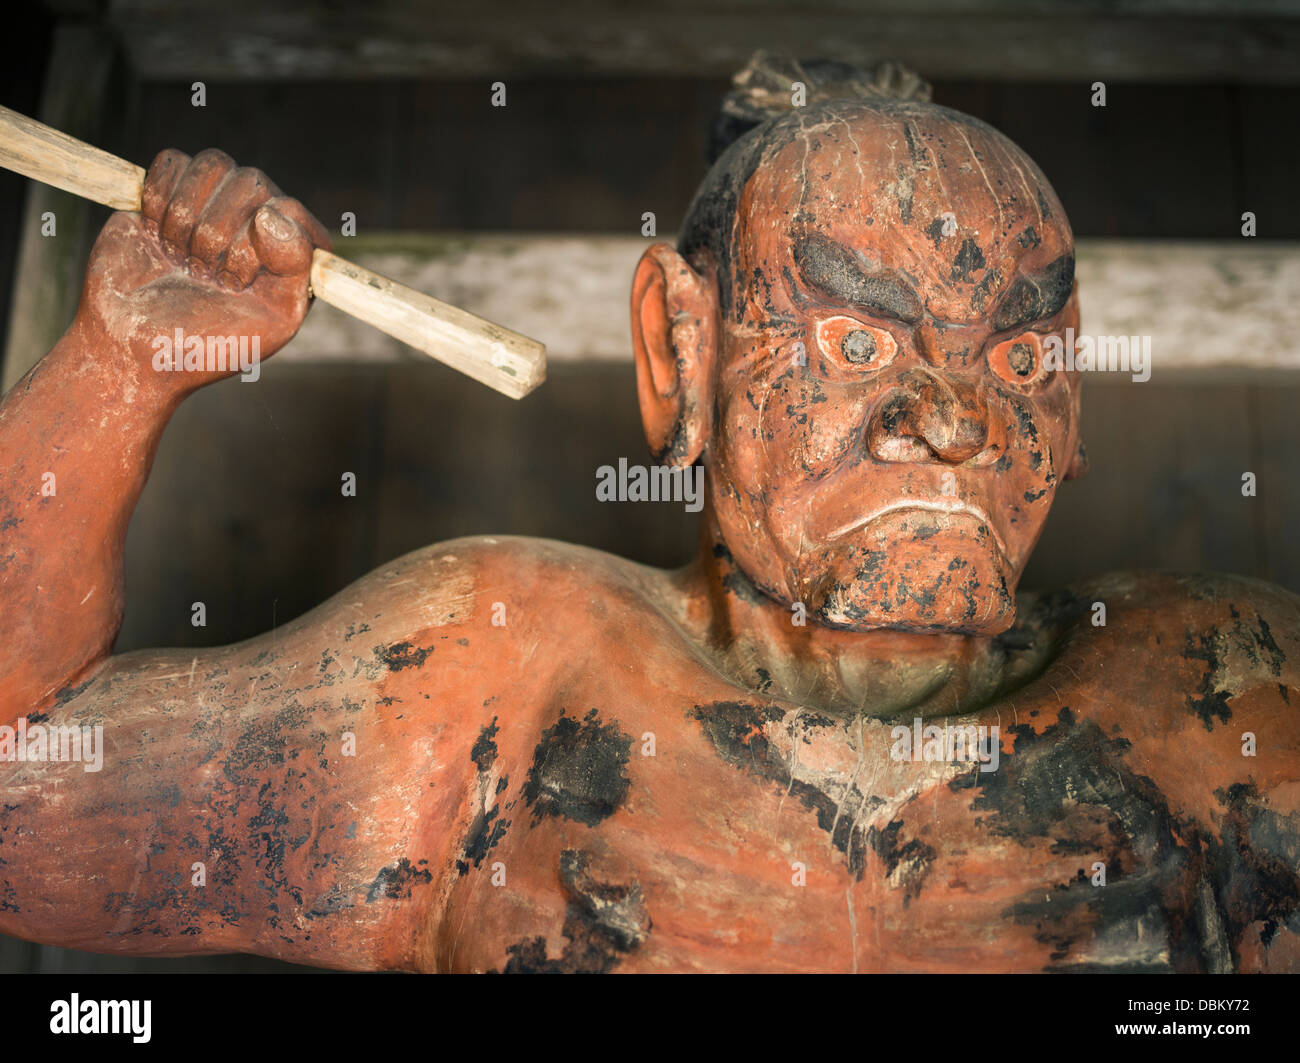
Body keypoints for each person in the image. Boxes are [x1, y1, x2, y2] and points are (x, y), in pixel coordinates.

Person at [1, 57, 1296, 973]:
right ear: (680, 347)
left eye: (1019, 362)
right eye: (852, 343)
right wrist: (115, 374)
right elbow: (22, 807)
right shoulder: (494, 679)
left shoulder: (1228, 696)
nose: (955, 418)